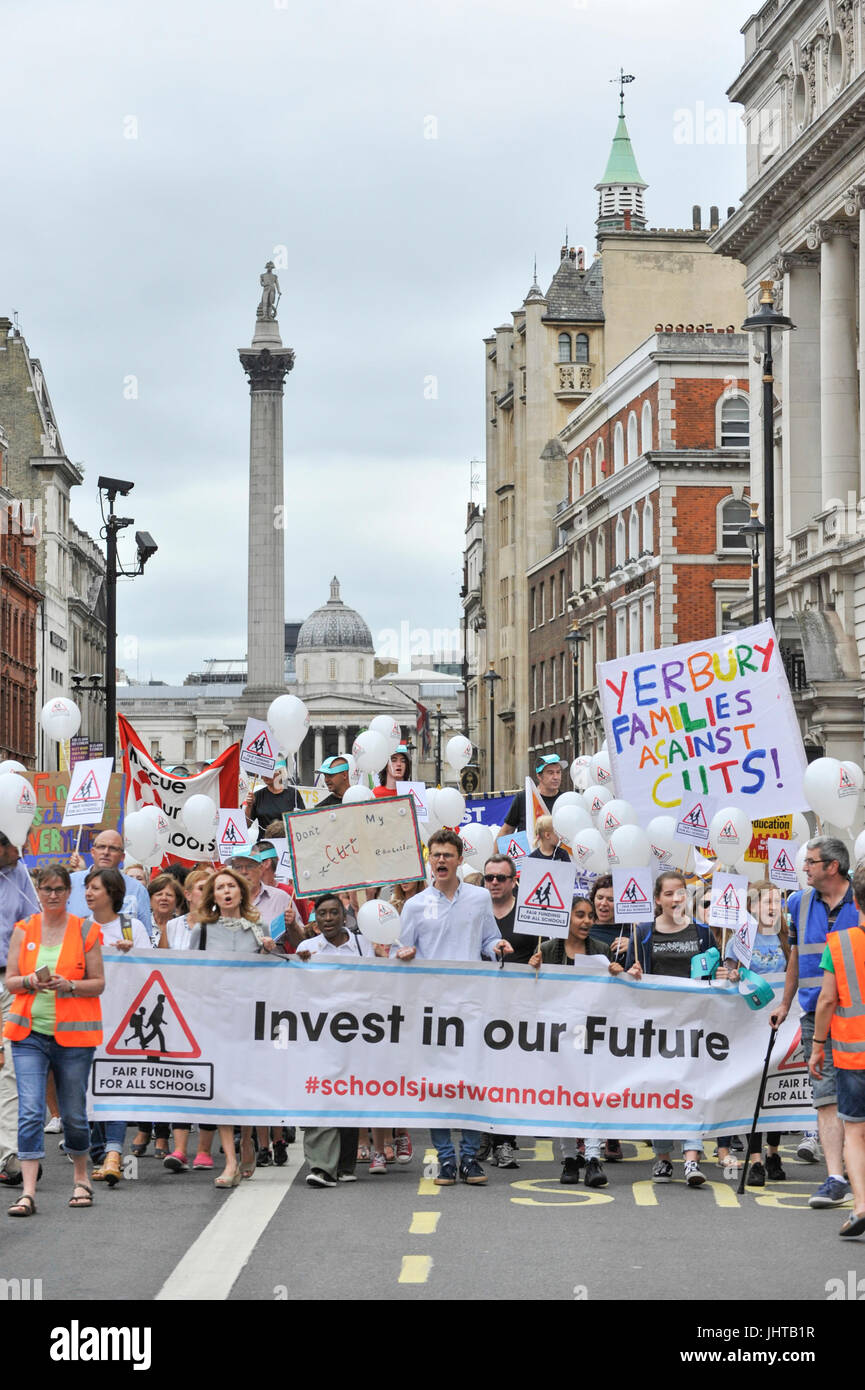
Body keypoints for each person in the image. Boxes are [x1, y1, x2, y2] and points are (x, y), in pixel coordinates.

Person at [395, 829, 512, 1186]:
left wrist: (498, 946)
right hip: (432, 1011)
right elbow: (397, 951)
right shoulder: (414, 905)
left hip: (472, 1006)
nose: (441, 860)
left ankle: (471, 1158)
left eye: (448, 854)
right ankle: (446, 1159)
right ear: (429, 861)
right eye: (435, 855)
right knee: (437, 1086)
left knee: (471, 1081)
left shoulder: (478, 899)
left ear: (460, 859)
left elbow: (490, 938)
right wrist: (403, 955)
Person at [4, 864, 104, 1216]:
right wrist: (31, 980)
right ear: (38, 891)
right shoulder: (24, 928)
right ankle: (28, 1192)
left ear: (68, 891)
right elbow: (11, 981)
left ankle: (81, 1177)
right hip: (29, 1033)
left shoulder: (85, 930)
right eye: (46, 889)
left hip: (75, 1037)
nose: (53, 895)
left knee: (74, 1114)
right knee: (31, 1111)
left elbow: (99, 983)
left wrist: (70, 985)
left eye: (59, 889)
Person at [625, 870, 729, 1188]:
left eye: (681, 892)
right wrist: (633, 971)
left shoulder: (701, 933)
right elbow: (630, 979)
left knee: (691, 1090)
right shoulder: (642, 931)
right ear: (657, 899)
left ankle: (692, 1158)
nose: (675, 899)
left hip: (696, 1025)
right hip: (656, 1027)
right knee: (660, 1090)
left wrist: (724, 974)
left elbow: (715, 974)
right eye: (668, 893)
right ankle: (663, 1159)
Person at [770, 835, 858, 1211]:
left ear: (832, 867)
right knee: (825, 1097)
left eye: (810, 861)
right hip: (814, 1014)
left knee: (857, 1100)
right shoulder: (798, 902)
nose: (803, 867)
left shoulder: (862, 899)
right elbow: (795, 958)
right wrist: (785, 1003)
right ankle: (835, 1177)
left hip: (858, 1015)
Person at [193, 867, 277, 1187]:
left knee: (246, 1086)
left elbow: (271, 975)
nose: (226, 891)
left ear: (241, 892)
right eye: (220, 887)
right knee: (223, 1088)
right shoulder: (202, 930)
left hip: (250, 1017)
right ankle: (229, 1161)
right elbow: (188, 973)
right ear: (212, 896)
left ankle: (247, 1139)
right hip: (216, 1017)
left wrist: (269, 951)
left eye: (231, 886)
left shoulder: (258, 928)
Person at [529, 895, 612, 1188]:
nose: (587, 921)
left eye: (590, 916)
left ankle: (592, 1157)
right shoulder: (548, 949)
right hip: (557, 1036)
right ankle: (568, 1158)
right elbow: (533, 993)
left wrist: (618, 972)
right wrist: (533, 969)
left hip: (590, 1035)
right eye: (580, 915)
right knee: (562, 1094)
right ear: (566, 918)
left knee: (590, 1093)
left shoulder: (601, 950)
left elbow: (613, 994)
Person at [715, 881, 789, 1184]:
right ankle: (755, 1158)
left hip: (781, 1024)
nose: (771, 907)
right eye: (764, 902)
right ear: (752, 907)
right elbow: (729, 971)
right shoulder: (740, 939)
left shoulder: (788, 937)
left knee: (777, 1090)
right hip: (749, 1024)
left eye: (776, 901)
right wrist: (730, 973)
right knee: (754, 1091)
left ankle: (774, 1152)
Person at [82, 867, 152, 1186]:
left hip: (123, 1019)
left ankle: (113, 1150)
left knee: (114, 1083)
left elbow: (152, 970)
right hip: (85, 1017)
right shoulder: (80, 929)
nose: (88, 893)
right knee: (90, 1087)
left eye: (95, 887)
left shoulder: (130, 927)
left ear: (112, 893)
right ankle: (101, 1152)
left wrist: (131, 954)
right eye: (87, 887)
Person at [296, 896, 370, 1185]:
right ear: (315, 919)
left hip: (357, 1035)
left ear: (344, 917)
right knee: (320, 1095)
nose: (328, 918)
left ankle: (344, 1164)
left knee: (348, 1095)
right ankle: (320, 1166)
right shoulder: (307, 948)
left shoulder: (364, 947)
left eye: (333, 913)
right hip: (317, 1035)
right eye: (322, 914)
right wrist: (300, 967)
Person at [809, 859, 865, 1238]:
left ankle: (861, 1205)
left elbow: (827, 1000)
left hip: (852, 1055)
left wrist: (816, 1047)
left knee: (855, 1133)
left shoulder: (841, 943)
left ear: (857, 901)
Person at [480, 853, 538, 1170]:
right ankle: (484, 1136)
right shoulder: (476, 911)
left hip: (519, 1008)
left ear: (514, 880)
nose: (494, 883)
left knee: (509, 1077)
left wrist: (539, 961)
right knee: (483, 1075)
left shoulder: (528, 914)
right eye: (489, 878)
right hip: (481, 1006)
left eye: (501, 878)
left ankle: (505, 1142)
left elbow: (548, 951)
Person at [0, 831, 39, 1190]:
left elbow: (35, 923)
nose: (20, 849)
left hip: (10, 980)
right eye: (14, 844)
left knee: (10, 1064)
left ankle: (8, 1154)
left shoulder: (20, 872)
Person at [67, 828, 152, 924]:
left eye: (113, 848)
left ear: (122, 857)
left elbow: (145, 934)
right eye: (101, 847)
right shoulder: (70, 883)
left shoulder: (137, 890)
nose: (106, 852)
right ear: (93, 852)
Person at [501, 755, 565, 838]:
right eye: (550, 773)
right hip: (530, 850)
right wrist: (494, 851)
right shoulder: (523, 798)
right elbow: (507, 830)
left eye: (558, 772)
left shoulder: (565, 799)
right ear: (539, 776)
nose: (556, 777)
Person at [244, 762, 304, 833]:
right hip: (265, 842)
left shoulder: (293, 793)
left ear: (280, 773)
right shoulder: (257, 795)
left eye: (270, 772)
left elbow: (302, 820)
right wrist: (249, 806)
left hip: (286, 841)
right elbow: (246, 825)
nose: (265, 775)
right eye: (263, 772)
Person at [147, 874, 185, 948]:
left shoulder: (183, 925)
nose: (164, 898)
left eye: (169, 895)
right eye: (159, 894)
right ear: (150, 899)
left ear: (177, 900)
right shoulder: (143, 924)